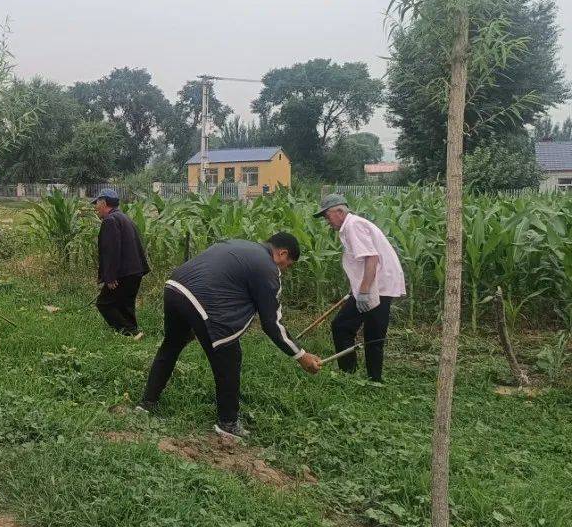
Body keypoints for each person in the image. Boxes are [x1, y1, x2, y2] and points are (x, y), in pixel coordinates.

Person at [139, 233, 322, 439]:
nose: (284, 270)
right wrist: (301, 355)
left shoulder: (240, 245)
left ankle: (147, 403)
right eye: (287, 265)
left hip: (175, 288)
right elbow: (271, 324)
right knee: (229, 357)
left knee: (171, 345)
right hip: (203, 300)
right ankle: (228, 422)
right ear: (282, 253)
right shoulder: (267, 268)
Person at [314, 194, 405, 383]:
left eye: (327, 215)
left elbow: (372, 258)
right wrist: (357, 288)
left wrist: (363, 291)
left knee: (367, 334)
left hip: (378, 287)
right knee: (345, 327)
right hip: (374, 285)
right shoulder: (351, 225)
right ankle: (352, 374)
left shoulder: (353, 225)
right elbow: (362, 261)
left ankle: (370, 380)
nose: (326, 220)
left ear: (340, 211)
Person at [92, 188, 150, 337]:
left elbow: (111, 250)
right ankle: (134, 333)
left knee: (104, 304)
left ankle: (129, 332)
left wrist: (110, 277)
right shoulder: (124, 218)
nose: (95, 208)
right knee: (126, 305)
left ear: (104, 203)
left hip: (123, 273)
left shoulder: (110, 221)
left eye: (96, 203)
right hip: (135, 271)